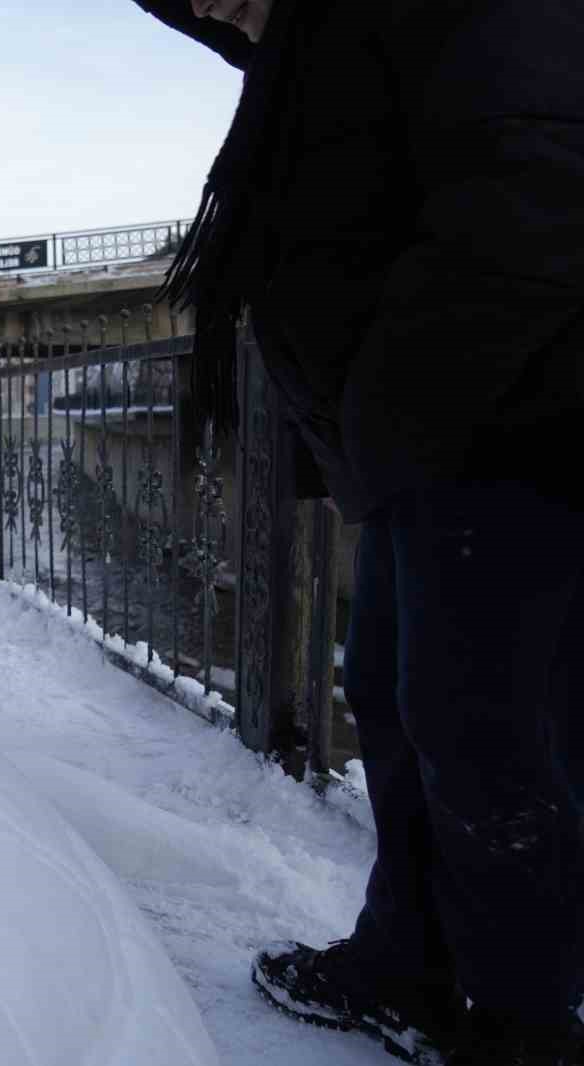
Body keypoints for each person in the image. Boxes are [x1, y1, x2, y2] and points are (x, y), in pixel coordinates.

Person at [132, 0, 584, 1062]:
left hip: (513, 426)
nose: (206, 8)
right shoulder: (316, 37)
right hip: (433, 443)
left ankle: (527, 1024)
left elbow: (540, 189)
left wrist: (388, 407)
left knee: (490, 731)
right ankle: (410, 962)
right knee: (393, 693)